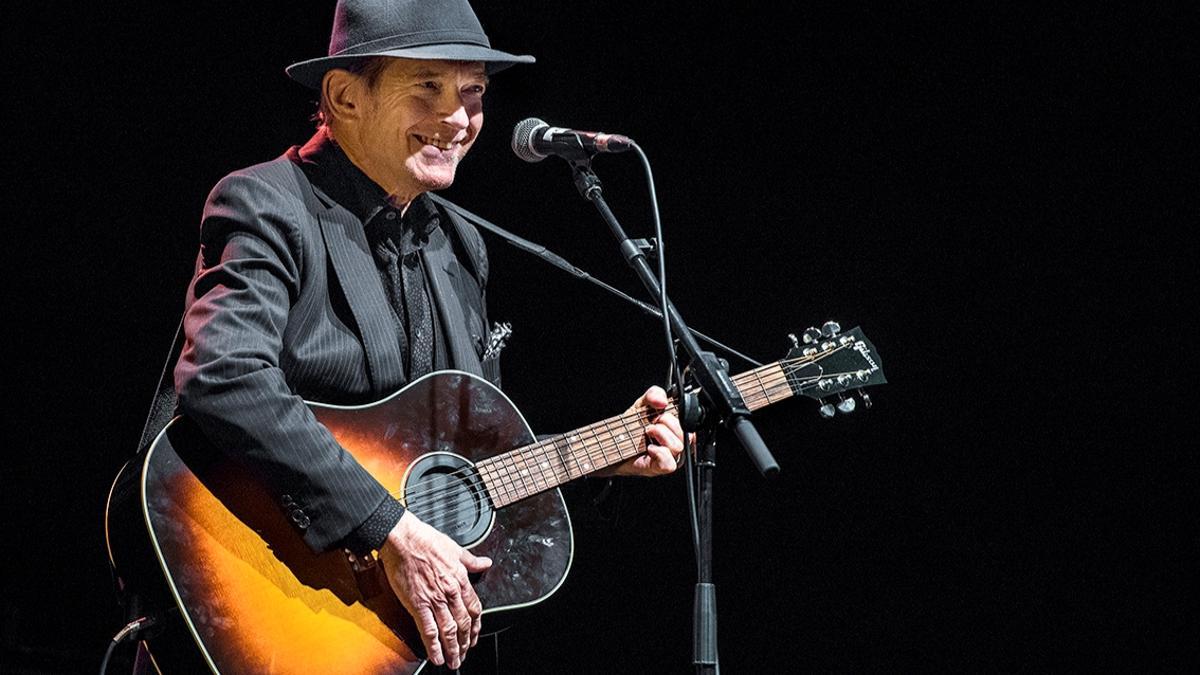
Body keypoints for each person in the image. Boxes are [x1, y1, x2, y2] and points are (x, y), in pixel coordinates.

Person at [160, 0, 685, 672]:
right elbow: (224, 376)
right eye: (428, 88)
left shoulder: (460, 246)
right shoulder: (267, 203)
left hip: (398, 637)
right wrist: (387, 526)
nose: (460, 119)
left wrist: (606, 454)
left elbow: (468, 458)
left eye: (472, 93)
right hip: (268, 604)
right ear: (345, 96)